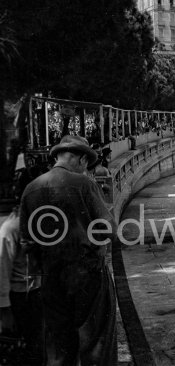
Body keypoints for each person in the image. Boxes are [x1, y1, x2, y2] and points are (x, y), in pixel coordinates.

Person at [19, 135, 117, 366]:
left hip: (50, 278)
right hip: (87, 275)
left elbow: (26, 243)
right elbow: (109, 229)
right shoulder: (83, 184)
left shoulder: (31, 189)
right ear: (81, 159)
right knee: (96, 344)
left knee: (59, 348)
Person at [0, 168, 43, 365]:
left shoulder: (39, 223)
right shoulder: (11, 228)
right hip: (18, 297)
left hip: (37, 293)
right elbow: (2, 270)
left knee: (37, 346)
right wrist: (5, 310)